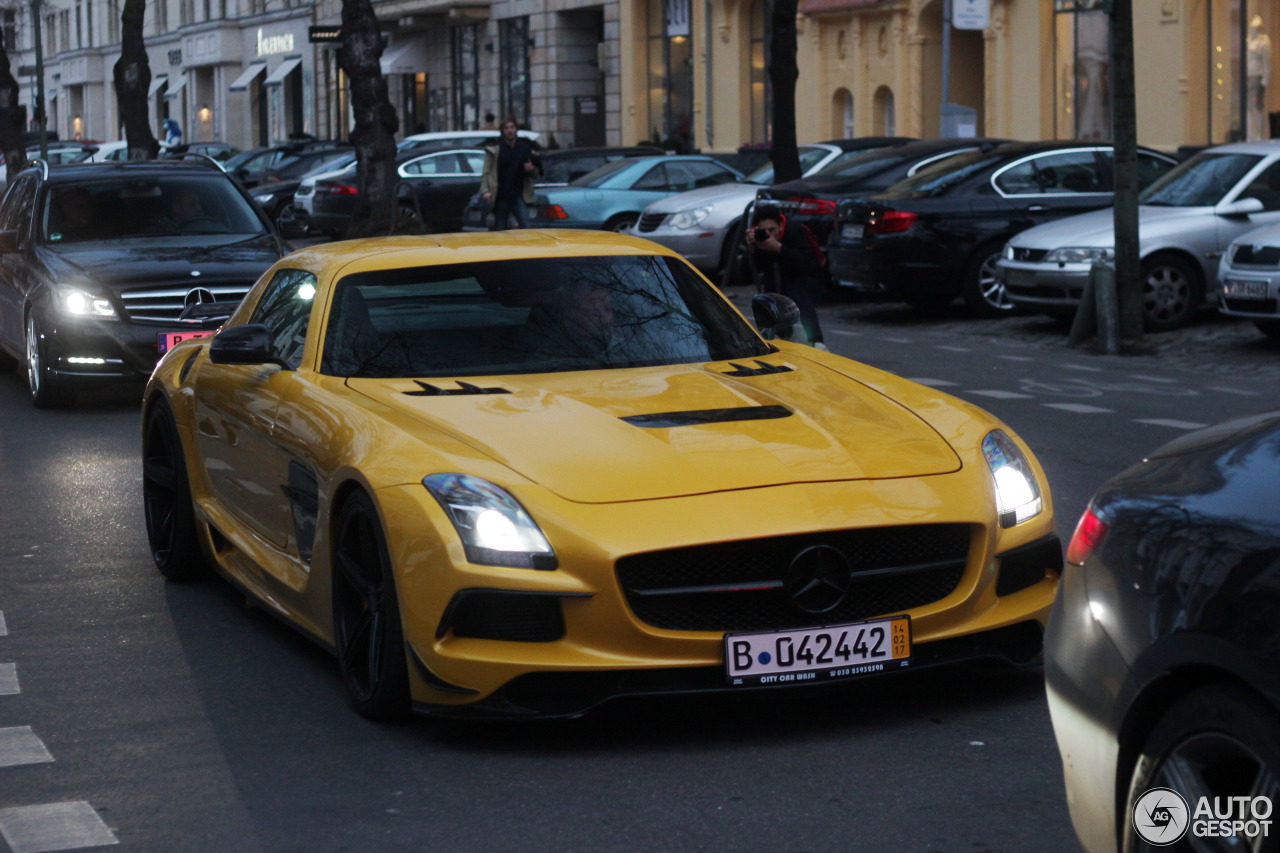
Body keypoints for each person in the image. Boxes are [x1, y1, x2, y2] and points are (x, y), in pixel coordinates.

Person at [747, 205, 828, 350]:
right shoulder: (759, 239)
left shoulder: (795, 231)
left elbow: (807, 263)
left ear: (780, 225)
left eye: (772, 230)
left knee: (799, 295)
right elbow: (757, 269)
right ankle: (779, 336)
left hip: (804, 276)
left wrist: (778, 247)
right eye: (763, 231)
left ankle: (816, 341)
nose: (768, 235)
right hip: (776, 277)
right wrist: (753, 249)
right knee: (769, 300)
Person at [480, 118, 540, 231]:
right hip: (502, 195)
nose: (510, 131)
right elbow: (486, 172)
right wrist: (485, 191)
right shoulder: (496, 150)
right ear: (503, 131)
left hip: (519, 195)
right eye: (506, 128)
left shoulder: (524, 148)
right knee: (500, 228)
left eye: (512, 127)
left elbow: (535, 173)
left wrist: (531, 169)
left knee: (525, 227)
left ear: (516, 129)